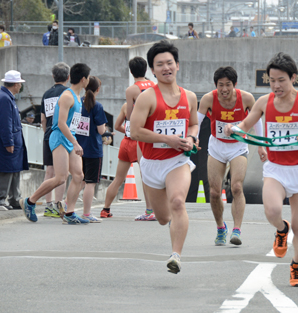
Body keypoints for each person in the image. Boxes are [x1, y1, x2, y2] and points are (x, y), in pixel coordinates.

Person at [225, 52, 298, 287]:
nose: (276, 85)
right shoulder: (264, 102)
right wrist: (233, 128)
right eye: (272, 80)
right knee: (272, 211)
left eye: (281, 80)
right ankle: (281, 230)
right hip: (275, 168)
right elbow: (245, 125)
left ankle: (296, 265)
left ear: (293, 78)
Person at [130, 40, 199, 274]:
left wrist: (190, 138)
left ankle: (176, 256)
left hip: (177, 161)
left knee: (178, 201)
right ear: (152, 70)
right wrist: (168, 139)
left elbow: (194, 124)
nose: (166, 67)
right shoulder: (147, 97)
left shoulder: (189, 97)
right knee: (162, 218)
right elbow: (136, 131)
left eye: (170, 63)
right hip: (151, 164)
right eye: (160, 64)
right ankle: (172, 224)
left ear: (178, 65)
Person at [20, 63, 91, 224]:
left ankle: (70, 213)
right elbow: (60, 123)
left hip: (70, 138)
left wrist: (74, 141)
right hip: (59, 138)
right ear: (83, 79)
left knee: (78, 175)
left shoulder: (78, 96)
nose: (88, 81)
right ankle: (30, 201)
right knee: (60, 178)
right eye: (88, 78)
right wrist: (76, 143)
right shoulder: (67, 96)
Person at [197, 66, 259, 246]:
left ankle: (237, 230)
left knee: (237, 187)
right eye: (220, 85)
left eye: (228, 85)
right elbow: (197, 121)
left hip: (238, 146)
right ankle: (220, 228)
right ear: (215, 85)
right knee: (215, 192)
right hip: (217, 146)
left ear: (235, 84)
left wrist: (262, 147)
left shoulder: (246, 98)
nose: (224, 89)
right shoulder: (208, 99)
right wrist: (192, 138)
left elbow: (257, 120)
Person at [101, 56, 156, 220]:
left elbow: (130, 115)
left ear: (131, 72)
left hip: (127, 139)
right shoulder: (154, 86)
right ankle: (149, 211)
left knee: (118, 178)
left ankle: (105, 209)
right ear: (146, 69)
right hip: (142, 138)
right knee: (146, 176)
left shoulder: (131, 90)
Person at [0, 70, 28, 210]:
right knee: (4, 170)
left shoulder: (5, 96)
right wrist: (8, 142)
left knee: (13, 170)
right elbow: (5, 123)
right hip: (6, 143)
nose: (20, 87)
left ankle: (15, 199)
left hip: (12, 142)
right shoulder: (4, 98)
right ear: (16, 84)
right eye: (20, 84)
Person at [39, 62, 70, 218]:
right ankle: (59, 205)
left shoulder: (46, 94)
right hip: (63, 136)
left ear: (53, 76)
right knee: (62, 173)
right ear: (68, 77)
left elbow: (43, 119)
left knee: (49, 171)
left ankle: (48, 206)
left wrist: (46, 134)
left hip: (48, 135)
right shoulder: (69, 93)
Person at [77, 76, 107, 222]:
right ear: (98, 89)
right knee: (90, 182)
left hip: (78, 147)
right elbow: (101, 130)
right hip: (93, 148)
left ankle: (67, 207)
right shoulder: (97, 106)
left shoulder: (77, 102)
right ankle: (87, 213)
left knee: (78, 180)